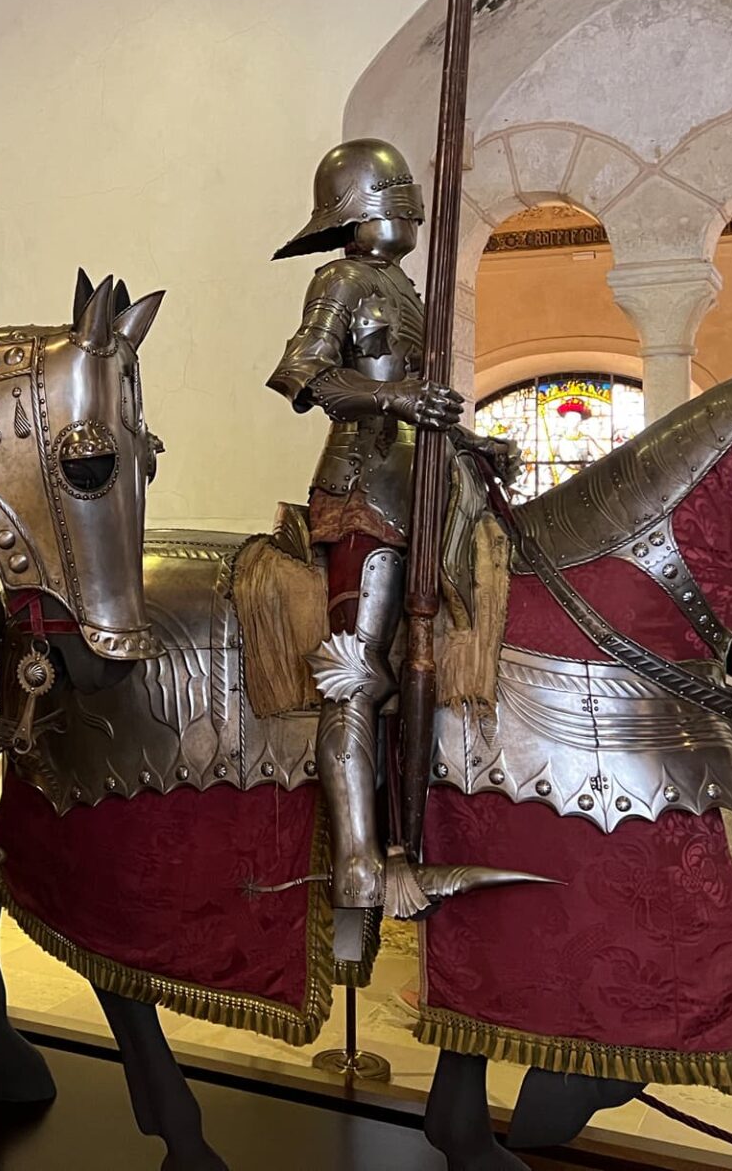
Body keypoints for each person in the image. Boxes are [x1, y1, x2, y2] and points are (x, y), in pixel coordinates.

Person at [266, 138, 516, 954]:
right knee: (355, 671)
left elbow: (422, 404)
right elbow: (303, 373)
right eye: (400, 196)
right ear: (365, 205)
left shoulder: (403, 287)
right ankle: (359, 868)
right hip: (362, 487)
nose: (410, 211)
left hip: (421, 489)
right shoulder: (340, 279)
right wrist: (397, 397)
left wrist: (472, 444)